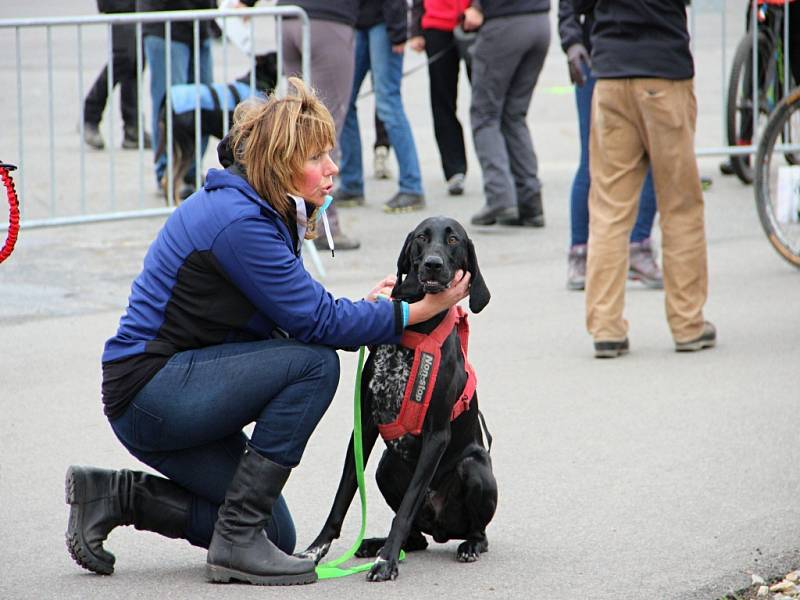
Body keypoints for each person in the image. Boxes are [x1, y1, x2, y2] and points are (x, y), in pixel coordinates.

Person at [64, 78, 471, 585]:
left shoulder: (257, 208)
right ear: (280, 164)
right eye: (317, 157)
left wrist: (370, 307)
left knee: (273, 532)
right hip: (151, 392)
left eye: (330, 154)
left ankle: (117, 497)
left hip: (173, 388)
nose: (332, 169)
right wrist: (417, 310)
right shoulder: (240, 221)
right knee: (315, 363)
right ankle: (233, 543)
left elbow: (294, 313)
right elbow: (319, 322)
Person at [574, 0, 716, 358]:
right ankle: (687, 323)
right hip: (663, 72)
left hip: (610, 74)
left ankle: (606, 327)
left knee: (609, 208)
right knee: (680, 204)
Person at [557, 0, 662, 291]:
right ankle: (580, 252)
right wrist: (572, 44)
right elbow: (568, 8)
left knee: (655, 158)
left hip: (651, 60)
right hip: (598, 60)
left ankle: (638, 247)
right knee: (592, 160)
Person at [277, 0, 362, 250]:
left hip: (288, 16)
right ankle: (325, 225)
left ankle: (288, 219)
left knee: (296, 127)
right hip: (329, 20)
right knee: (324, 130)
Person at [333, 0, 427, 213]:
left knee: (388, 103)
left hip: (384, 23)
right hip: (355, 22)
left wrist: (399, 30)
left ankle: (412, 187)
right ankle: (351, 184)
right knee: (344, 103)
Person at [466, 0, 550, 228]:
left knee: (485, 115)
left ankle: (500, 196)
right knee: (514, 115)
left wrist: (477, 6)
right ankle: (530, 202)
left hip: (504, 24)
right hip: (540, 22)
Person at [137, 0, 215, 198]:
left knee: (205, 106)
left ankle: (190, 174)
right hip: (165, 24)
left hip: (201, 23)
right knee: (171, 108)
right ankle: (167, 174)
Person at [409, 0, 473, 197]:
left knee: (487, 104)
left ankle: (499, 171)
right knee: (442, 102)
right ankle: (455, 170)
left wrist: (479, 7)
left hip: (474, 21)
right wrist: (416, 29)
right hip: (437, 25)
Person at [82, 0, 152, 151]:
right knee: (124, 57)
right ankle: (90, 115)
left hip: (140, 6)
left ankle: (133, 129)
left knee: (136, 60)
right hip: (120, 5)